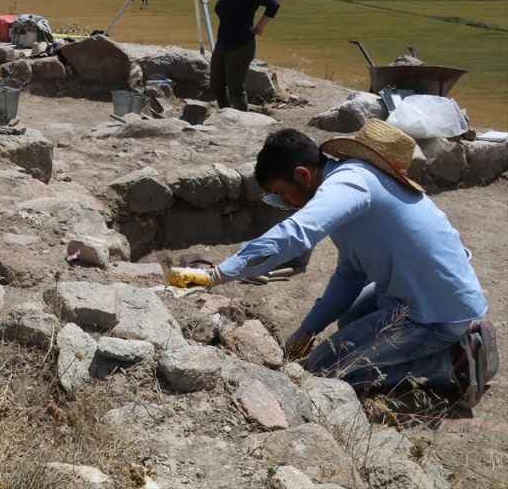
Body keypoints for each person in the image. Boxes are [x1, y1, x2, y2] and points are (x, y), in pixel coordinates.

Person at [173, 120, 497, 407]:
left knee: (329, 370)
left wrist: (215, 275)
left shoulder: (351, 181)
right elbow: (349, 275)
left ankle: (453, 362)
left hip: (435, 313)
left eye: (279, 193)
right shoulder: (355, 188)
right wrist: (307, 330)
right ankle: (433, 349)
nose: (283, 203)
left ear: (302, 175)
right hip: (415, 293)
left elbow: (296, 234)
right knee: (348, 323)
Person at [210, 0, 280, 112]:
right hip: (222, 43)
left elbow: (274, 4)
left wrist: (260, 26)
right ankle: (226, 114)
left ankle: (240, 119)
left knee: (235, 88)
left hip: (241, 46)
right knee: (216, 84)